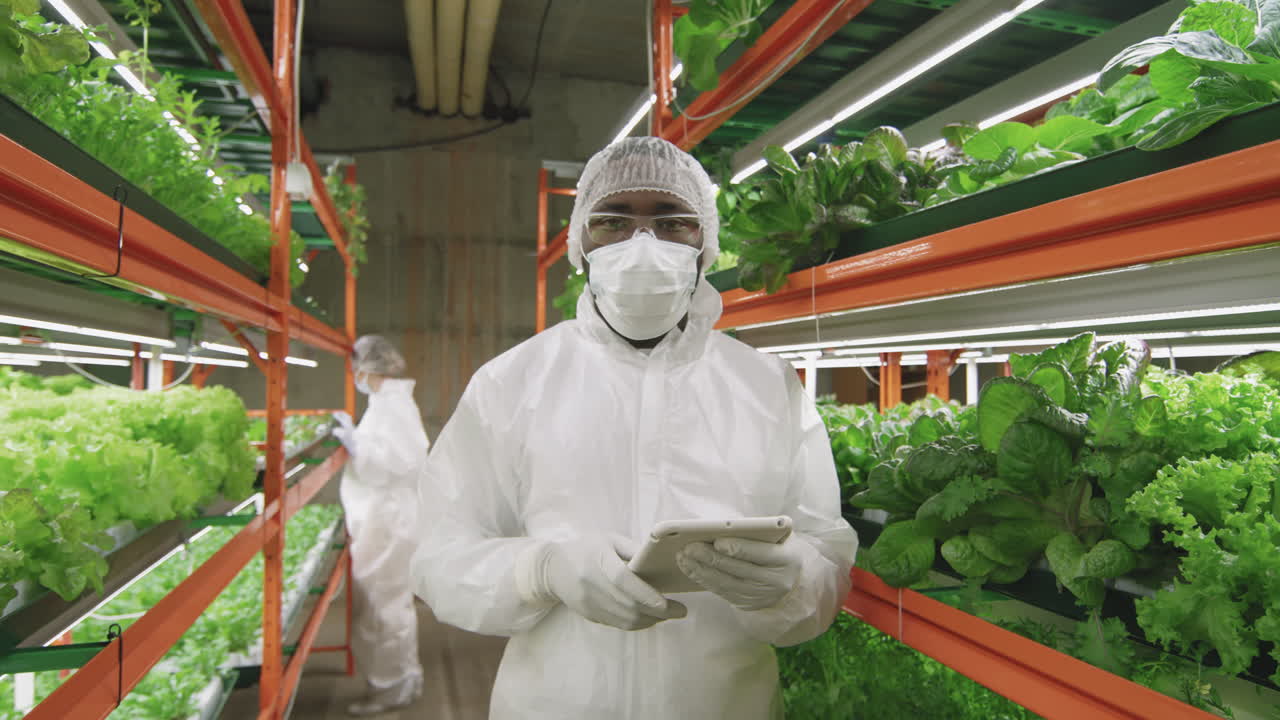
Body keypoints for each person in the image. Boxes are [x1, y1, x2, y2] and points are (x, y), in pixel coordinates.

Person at [412, 137, 857, 718]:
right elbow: (438, 556)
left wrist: (796, 581)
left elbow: (826, 561)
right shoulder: (512, 384)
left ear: (705, 244)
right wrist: (541, 570)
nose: (643, 245)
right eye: (613, 221)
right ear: (580, 243)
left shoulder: (768, 387)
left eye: (673, 223)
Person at [332, 335, 428, 716]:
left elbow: (404, 462)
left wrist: (358, 447)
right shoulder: (385, 404)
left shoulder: (393, 407)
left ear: (368, 367)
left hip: (389, 521)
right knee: (389, 606)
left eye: (356, 366)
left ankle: (392, 689)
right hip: (385, 518)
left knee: (385, 609)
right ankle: (401, 680)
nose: (355, 374)